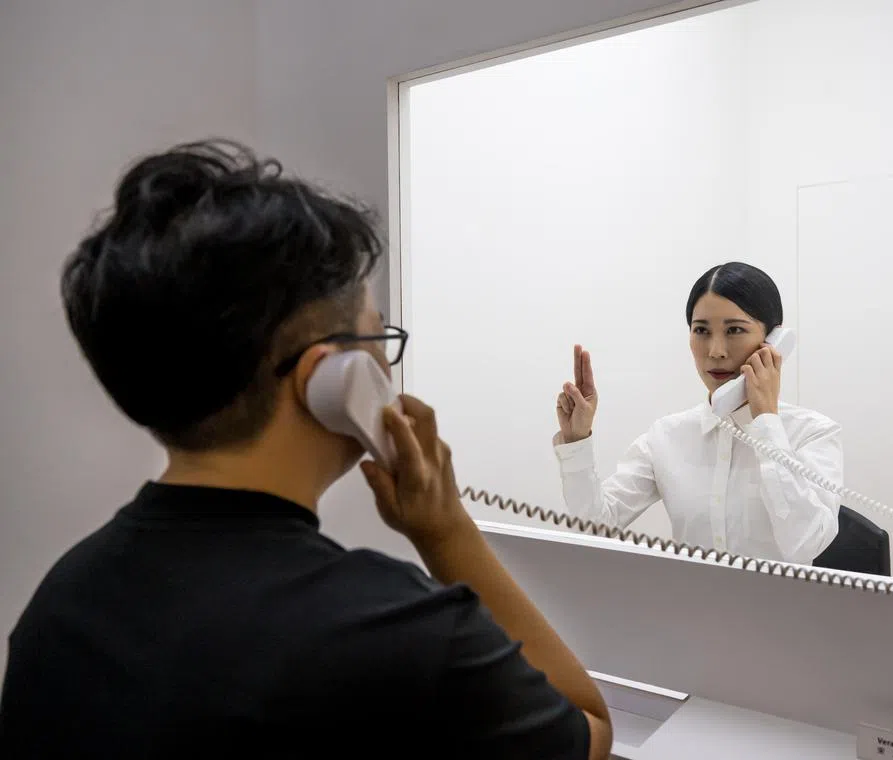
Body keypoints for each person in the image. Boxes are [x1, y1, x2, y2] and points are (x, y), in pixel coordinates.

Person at [0, 140, 612, 759]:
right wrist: (446, 529)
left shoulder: (60, 604)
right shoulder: (395, 631)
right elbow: (586, 730)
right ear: (330, 377)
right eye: (376, 339)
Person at [553, 262, 842, 563]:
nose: (716, 351)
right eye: (701, 330)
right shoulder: (667, 436)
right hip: (687, 595)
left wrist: (766, 422)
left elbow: (807, 543)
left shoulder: (813, 433)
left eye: (734, 330)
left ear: (773, 341)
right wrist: (576, 442)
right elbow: (594, 529)